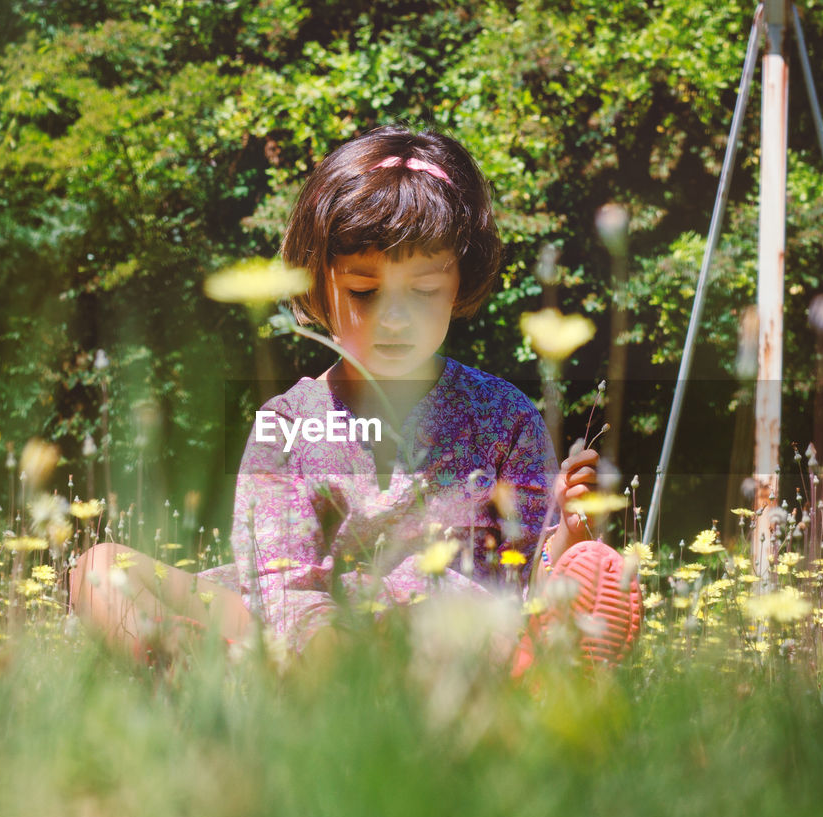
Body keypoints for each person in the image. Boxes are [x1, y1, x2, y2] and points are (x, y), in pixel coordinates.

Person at [70, 125, 601, 662]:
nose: (394, 317)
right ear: (319, 281)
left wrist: (572, 534)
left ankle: (246, 680)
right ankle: (209, 673)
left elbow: (525, 579)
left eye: (422, 290)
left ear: (460, 282)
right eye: (365, 292)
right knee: (101, 569)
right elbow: (282, 585)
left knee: (563, 602)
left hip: (443, 636)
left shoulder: (502, 417)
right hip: (301, 629)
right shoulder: (288, 425)